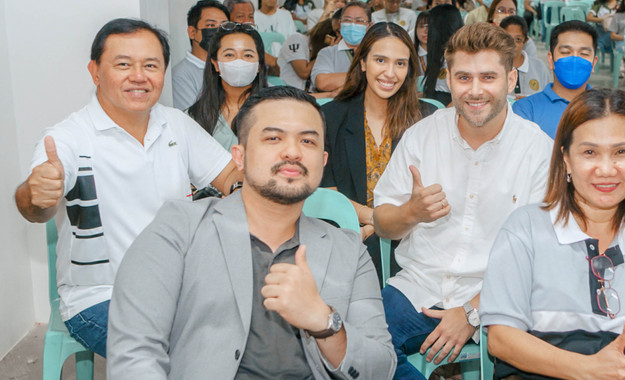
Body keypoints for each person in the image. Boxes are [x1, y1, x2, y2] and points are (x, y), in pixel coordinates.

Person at [107, 86, 396, 379]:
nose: (293, 152)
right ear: (240, 157)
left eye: (307, 141)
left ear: (322, 162)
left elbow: (380, 368)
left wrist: (324, 321)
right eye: (273, 138)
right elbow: (134, 353)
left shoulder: (348, 250)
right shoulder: (180, 229)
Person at [13, 18, 241, 358]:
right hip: (101, 297)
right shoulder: (68, 138)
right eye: (123, 65)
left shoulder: (176, 124)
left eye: (151, 65)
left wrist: (242, 189)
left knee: (251, 334)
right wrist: (36, 194)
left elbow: (229, 175)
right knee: (185, 356)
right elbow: (34, 207)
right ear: (95, 71)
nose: (139, 76)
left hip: (180, 286)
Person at [372, 22, 554, 380]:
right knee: (361, 344)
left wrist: (472, 312)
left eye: (488, 77)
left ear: (511, 80)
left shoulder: (538, 153)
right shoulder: (421, 137)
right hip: (419, 287)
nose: (474, 90)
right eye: (463, 78)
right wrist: (411, 212)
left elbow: (541, 258)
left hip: (501, 299)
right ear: (448, 80)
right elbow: (382, 223)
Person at [481, 89, 625, 379]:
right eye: (589, 152)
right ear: (566, 159)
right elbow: (501, 339)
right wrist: (588, 370)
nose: (606, 169)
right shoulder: (525, 229)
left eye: (621, 152)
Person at [320, 22, 438, 284]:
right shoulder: (331, 116)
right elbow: (328, 192)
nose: (390, 73)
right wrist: (379, 221)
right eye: (380, 60)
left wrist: (393, 223)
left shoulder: (427, 118)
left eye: (400, 63)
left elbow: (433, 191)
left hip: (414, 241)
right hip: (349, 234)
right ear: (363, 62)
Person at [188, 22, 268, 151]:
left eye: (248, 55)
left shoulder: (277, 110)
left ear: (259, 65)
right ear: (215, 64)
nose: (239, 61)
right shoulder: (194, 116)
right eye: (229, 55)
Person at [514, 20, 599, 138]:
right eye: (566, 52)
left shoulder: (606, 109)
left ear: (593, 63)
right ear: (551, 60)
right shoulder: (526, 110)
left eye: (584, 54)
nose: (574, 59)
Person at [173, 1, 230, 111]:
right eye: (211, 25)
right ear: (192, 32)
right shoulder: (181, 76)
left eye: (224, 26)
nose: (219, 32)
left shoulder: (231, 65)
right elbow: (190, 118)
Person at [313, 2, 372, 96]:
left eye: (359, 21)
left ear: (370, 25)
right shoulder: (328, 52)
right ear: (340, 24)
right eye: (347, 20)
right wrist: (369, 76)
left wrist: (343, 85)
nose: (352, 25)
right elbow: (322, 82)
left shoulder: (376, 51)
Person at [422, 4, 464, 106]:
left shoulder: (459, 59)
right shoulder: (439, 56)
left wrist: (442, 113)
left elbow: (462, 97)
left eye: (429, 26)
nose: (427, 31)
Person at [501, 16, 551, 98]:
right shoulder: (494, 67)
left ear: (525, 41)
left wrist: (529, 102)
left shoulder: (539, 67)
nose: (512, 44)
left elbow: (547, 98)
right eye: (507, 39)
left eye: (518, 39)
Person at [279, 17, 320, 91]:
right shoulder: (296, 39)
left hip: (309, 92)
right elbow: (304, 73)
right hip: (289, 91)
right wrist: (322, 53)